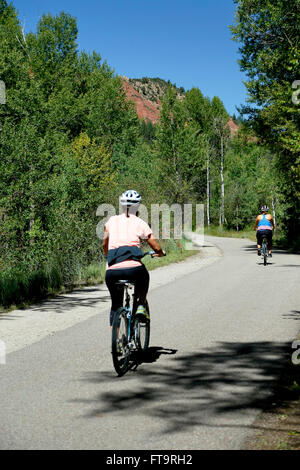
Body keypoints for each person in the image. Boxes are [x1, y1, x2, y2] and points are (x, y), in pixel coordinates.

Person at [102, 190, 165, 327]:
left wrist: (109, 256)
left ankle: (117, 342)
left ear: (121, 205)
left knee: (115, 305)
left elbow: (104, 244)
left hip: (112, 271)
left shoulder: (111, 221)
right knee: (144, 276)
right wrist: (160, 253)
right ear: (137, 207)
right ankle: (141, 304)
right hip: (134, 269)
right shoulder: (140, 222)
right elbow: (155, 245)